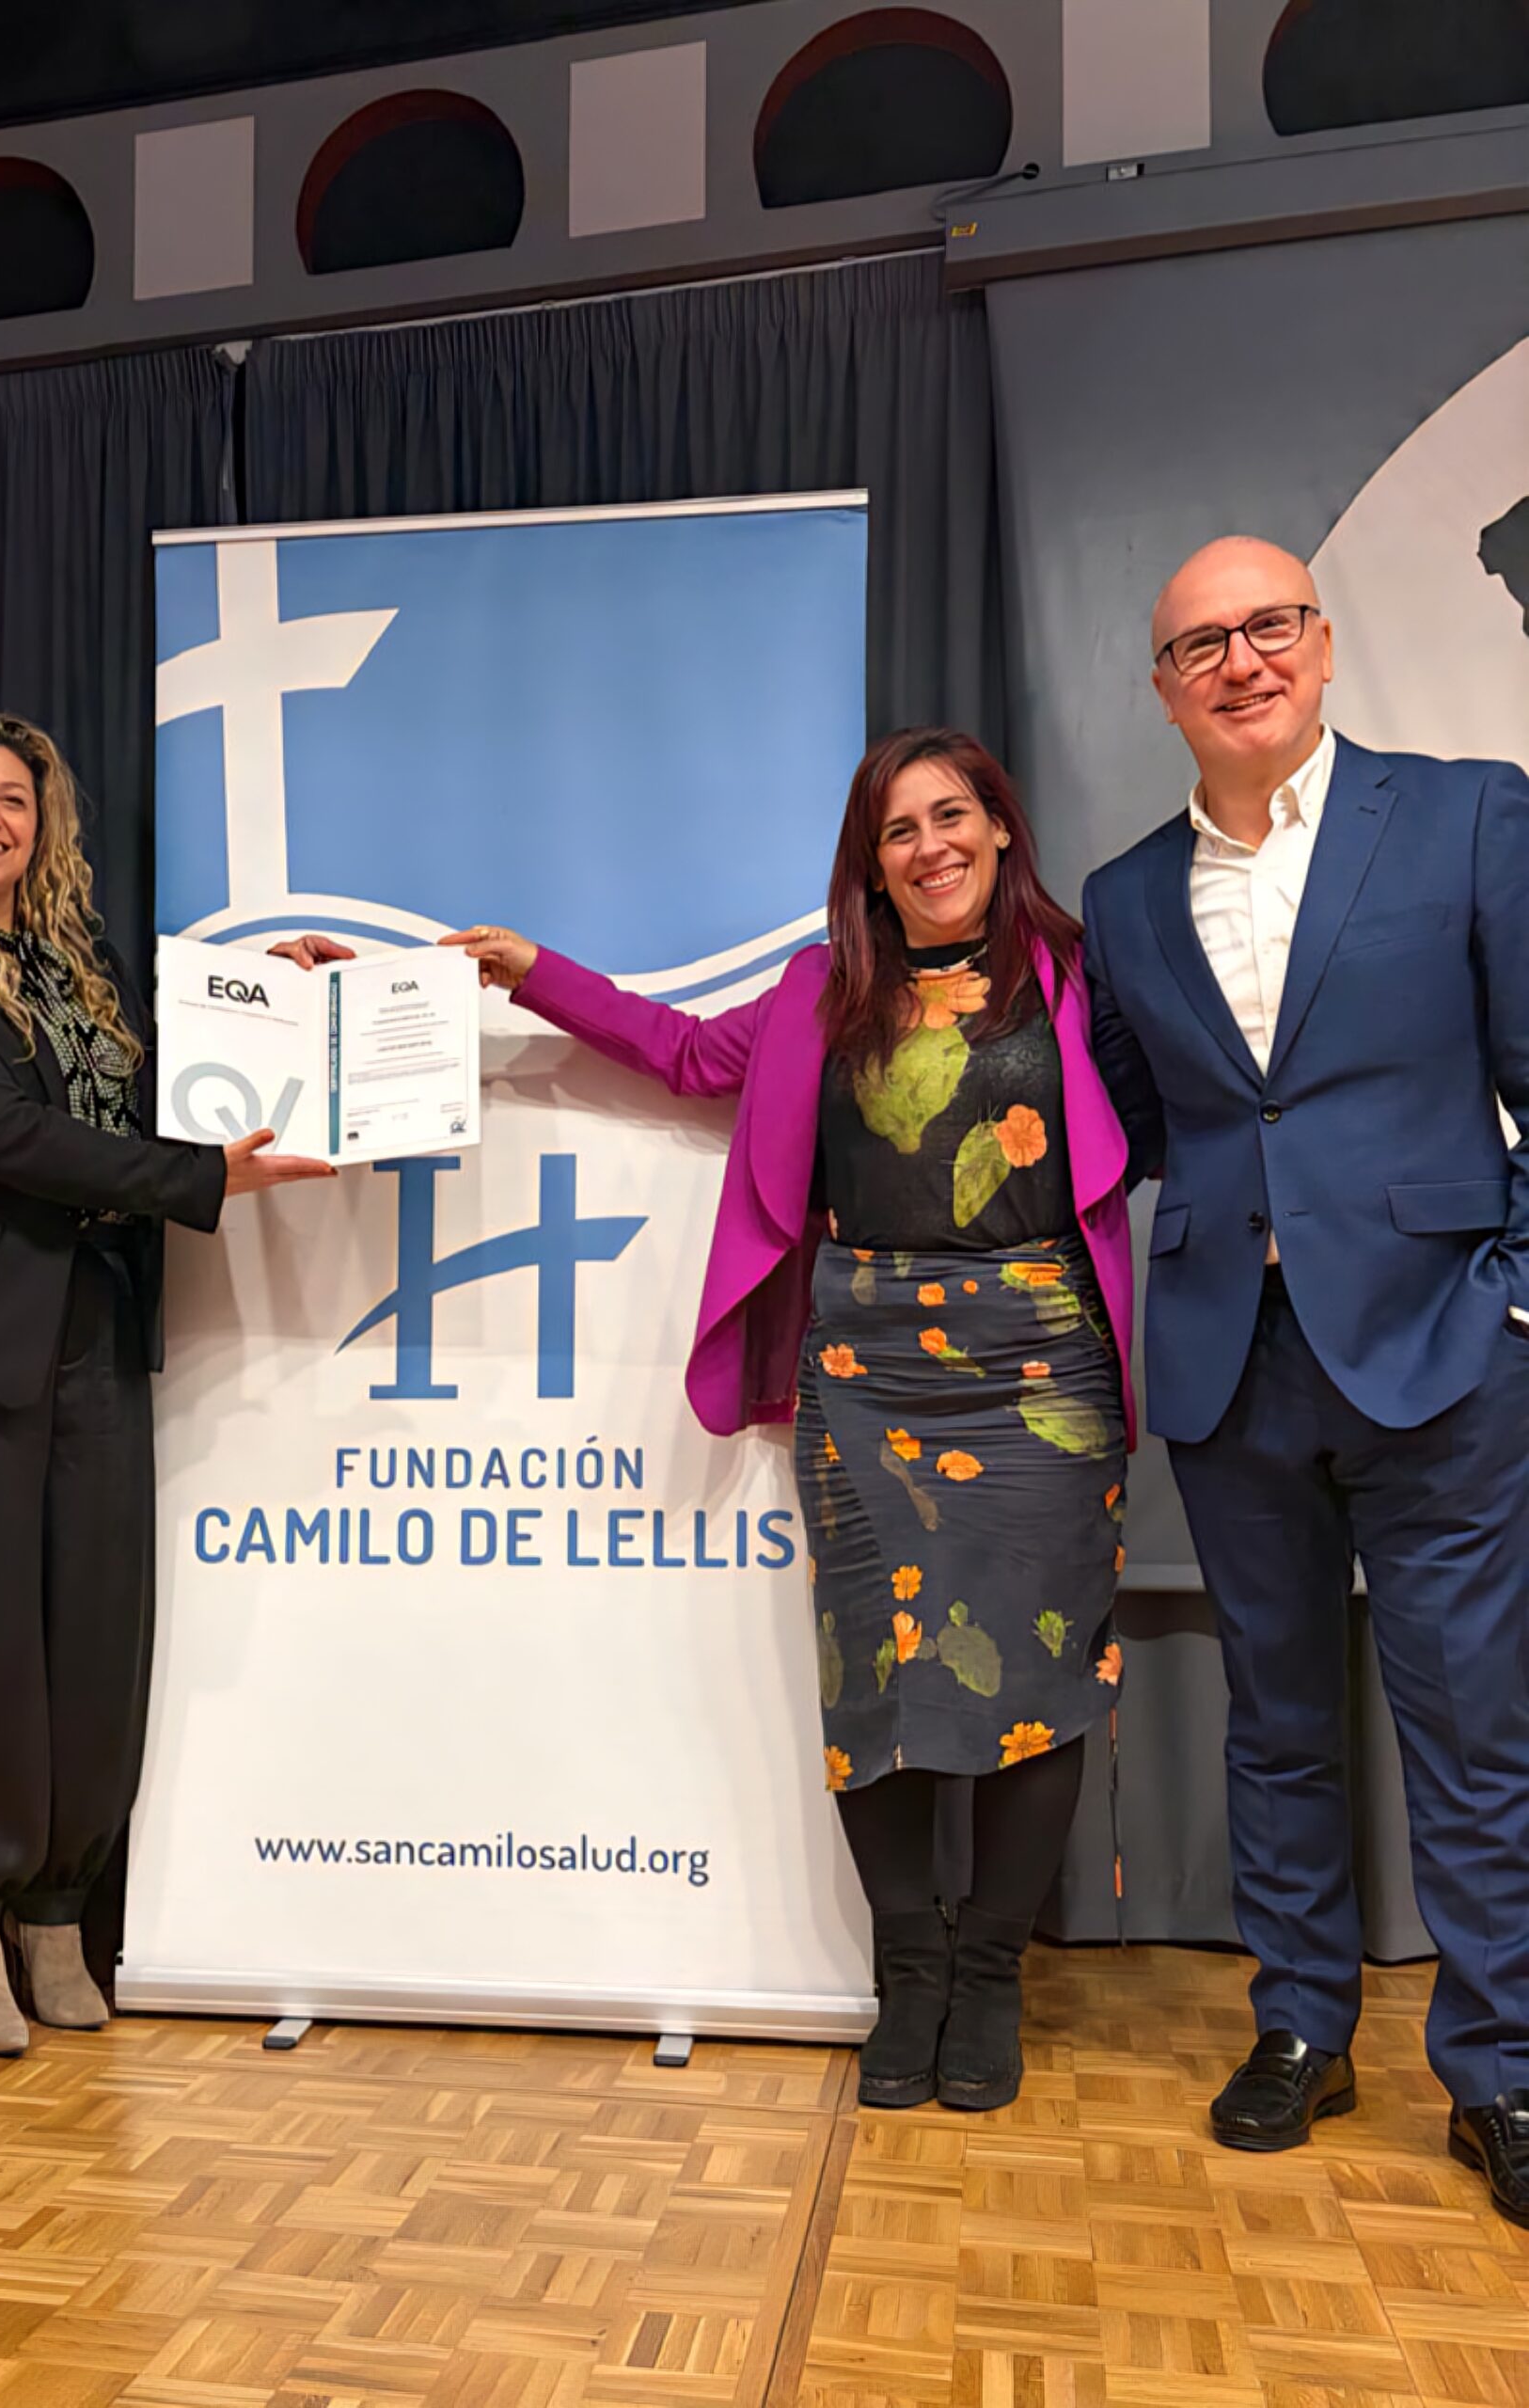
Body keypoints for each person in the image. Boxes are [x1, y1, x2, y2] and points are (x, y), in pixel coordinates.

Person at [438, 730, 1137, 2111]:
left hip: (1043, 1370)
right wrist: (531, 971)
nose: (929, 847)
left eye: (952, 816)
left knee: (1042, 1675)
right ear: (869, 865)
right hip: (865, 1367)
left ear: (1001, 829)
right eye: (897, 830)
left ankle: (992, 1974)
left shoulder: (1074, 972)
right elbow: (686, 1054)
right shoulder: (825, 990)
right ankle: (910, 1974)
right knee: (869, 1673)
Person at [1083, 537, 1529, 2215]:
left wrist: (1513, 1305)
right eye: (1199, 643)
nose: (1239, 662)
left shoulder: (1469, 816)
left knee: (1472, 1731)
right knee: (1273, 1723)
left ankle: (1502, 2070)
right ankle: (1298, 2028)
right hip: (1230, 1368)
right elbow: (1139, 1118)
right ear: (1163, 690)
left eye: (1267, 626)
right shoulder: (1125, 896)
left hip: (1442, 1356)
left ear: (1321, 646)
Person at [0, 711, 335, 2055]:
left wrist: (274, 1000)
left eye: (14, 798)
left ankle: (58, 1913)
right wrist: (200, 1181)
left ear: (43, 823)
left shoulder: (78, 963)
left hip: (90, 1329)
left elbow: (161, 1084)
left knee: (90, 1638)